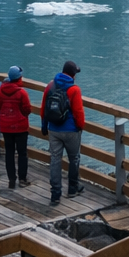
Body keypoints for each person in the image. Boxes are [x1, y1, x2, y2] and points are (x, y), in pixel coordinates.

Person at [41, 60, 86, 206]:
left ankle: (55, 194)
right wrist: (80, 127)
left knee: (55, 160)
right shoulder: (74, 90)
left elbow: (43, 107)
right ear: (73, 75)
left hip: (54, 129)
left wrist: (44, 125)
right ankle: (73, 188)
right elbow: (79, 112)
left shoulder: (50, 85)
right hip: (71, 130)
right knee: (74, 159)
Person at [0, 65, 32, 189]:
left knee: (9, 153)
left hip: (6, 126)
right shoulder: (22, 93)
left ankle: (11, 180)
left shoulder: (0, 90)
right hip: (20, 126)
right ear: (19, 78)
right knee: (22, 153)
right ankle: (22, 179)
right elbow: (27, 109)